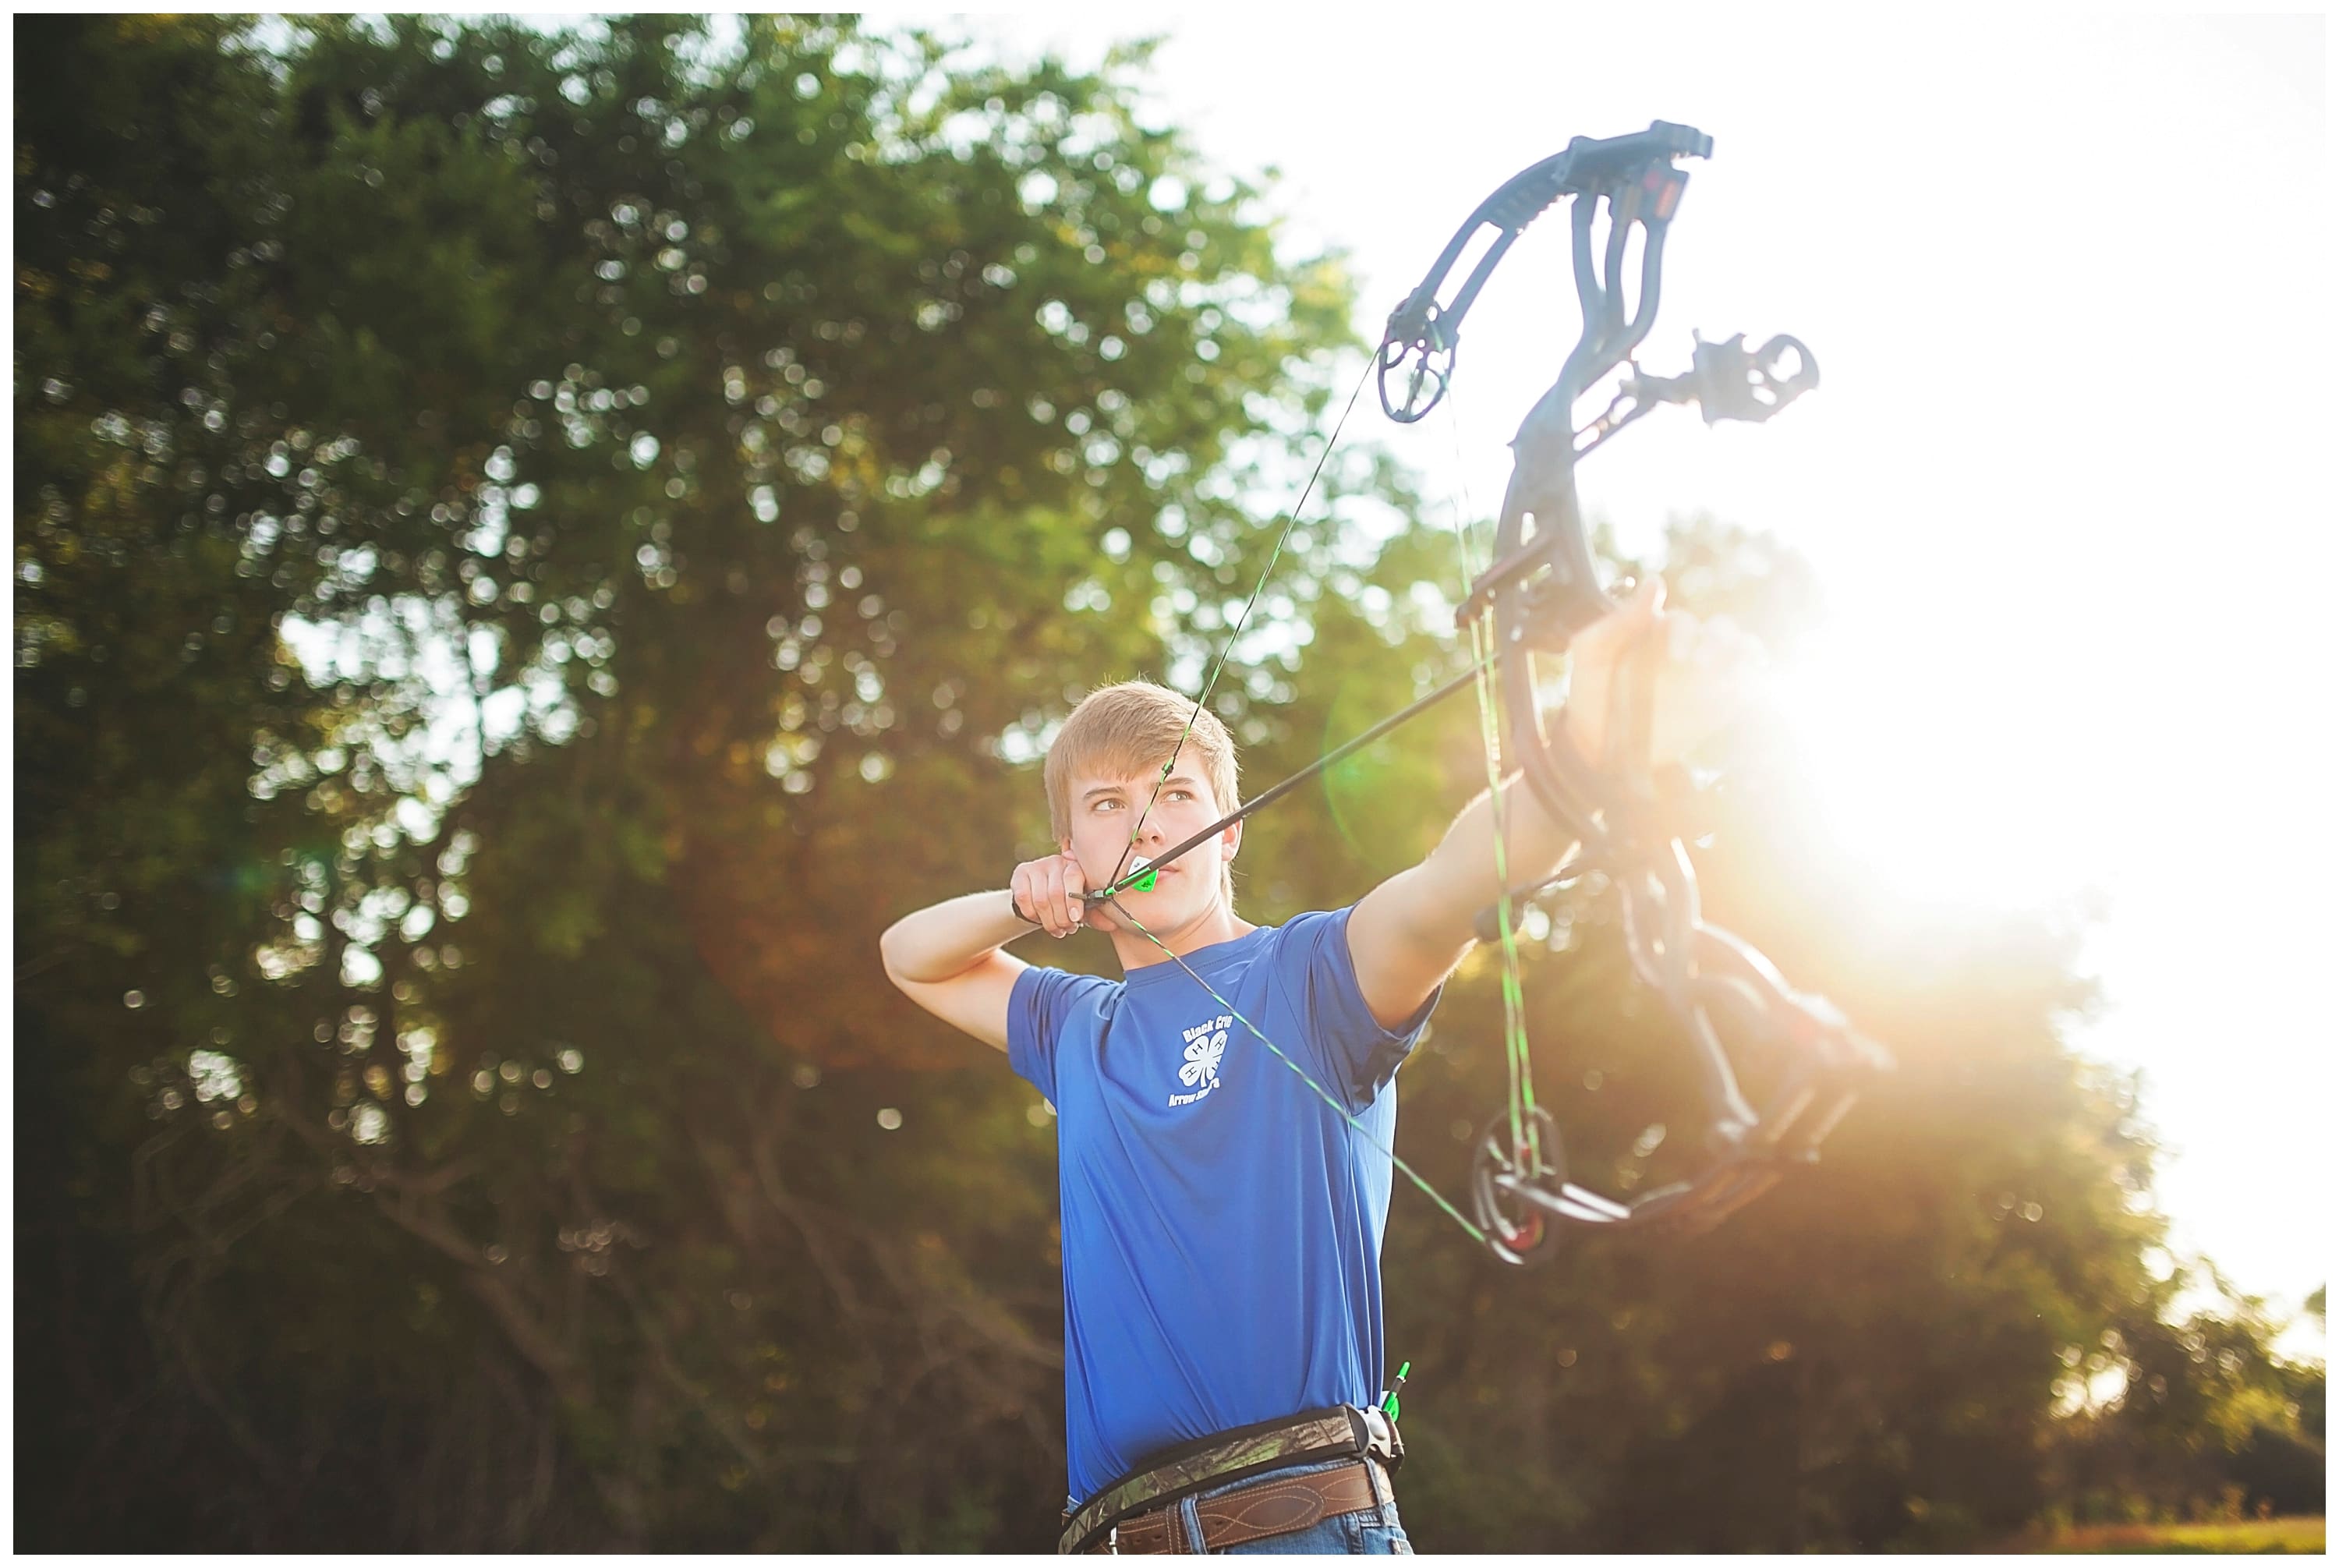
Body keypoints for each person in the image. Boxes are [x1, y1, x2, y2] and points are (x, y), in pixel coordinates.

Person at [879, 579, 1762, 1553]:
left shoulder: (1308, 973)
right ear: (1071, 845)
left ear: (1231, 829)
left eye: (1176, 794)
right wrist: (1025, 902)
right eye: (1108, 804)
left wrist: (1591, 750)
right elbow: (909, 956)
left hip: (1298, 1527)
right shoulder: (1071, 1023)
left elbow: (1448, 888)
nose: (1147, 827)